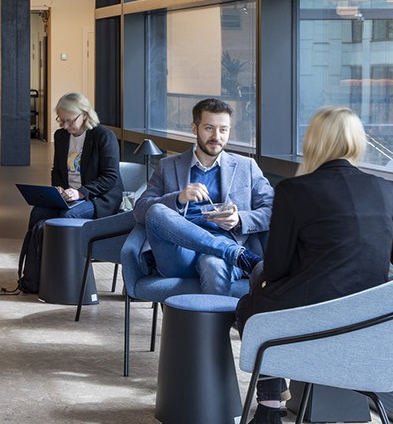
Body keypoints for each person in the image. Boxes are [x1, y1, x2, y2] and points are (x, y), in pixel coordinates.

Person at [234, 106, 393, 424]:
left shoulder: (295, 190)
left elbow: (276, 268)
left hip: (312, 327)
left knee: (252, 303)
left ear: (313, 142)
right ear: (357, 142)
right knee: (267, 300)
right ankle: (272, 401)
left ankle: (268, 412)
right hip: (369, 328)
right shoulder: (385, 189)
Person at [119, 97, 274, 297]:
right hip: (178, 254)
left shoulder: (246, 167)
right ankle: (233, 252)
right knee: (156, 210)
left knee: (214, 263)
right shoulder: (168, 166)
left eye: (223, 130)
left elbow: (273, 210)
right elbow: (141, 210)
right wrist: (179, 198)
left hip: (225, 253)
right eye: (209, 128)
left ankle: (213, 328)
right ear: (195, 128)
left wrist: (239, 219)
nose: (216, 136)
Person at [15, 94, 123, 291]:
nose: (64, 125)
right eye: (61, 120)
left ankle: (64, 279)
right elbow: (57, 170)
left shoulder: (103, 136)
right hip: (69, 195)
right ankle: (34, 277)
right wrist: (59, 188)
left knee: (68, 216)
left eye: (68, 120)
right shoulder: (61, 136)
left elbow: (110, 178)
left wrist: (81, 193)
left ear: (84, 114)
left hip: (98, 198)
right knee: (38, 213)